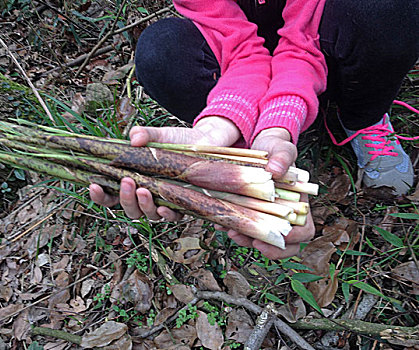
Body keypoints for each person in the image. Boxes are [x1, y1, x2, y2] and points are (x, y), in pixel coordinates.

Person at [90, 0, 419, 259]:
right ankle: (240, 145)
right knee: (162, 51)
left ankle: (362, 118)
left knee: (388, 7)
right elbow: (240, 51)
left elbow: (300, 46)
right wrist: (225, 122)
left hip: (324, 46)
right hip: (242, 69)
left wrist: (280, 121)